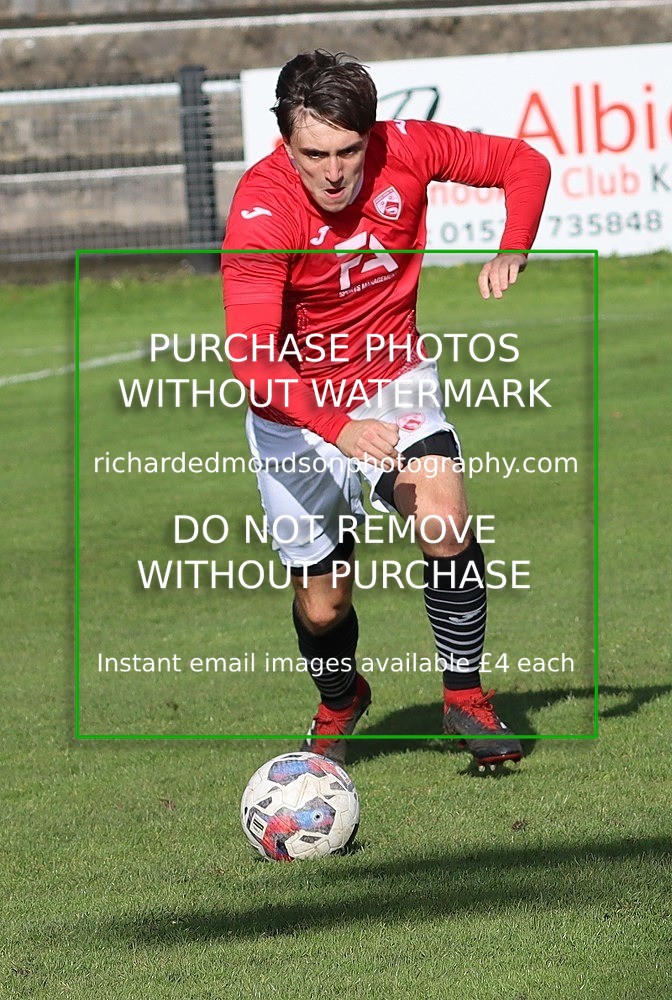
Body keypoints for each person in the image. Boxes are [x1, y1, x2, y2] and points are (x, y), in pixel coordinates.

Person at [221, 50, 551, 769]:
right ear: (286, 142)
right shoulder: (261, 208)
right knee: (323, 608)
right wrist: (337, 428)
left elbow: (523, 163)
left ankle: (465, 698)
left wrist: (514, 247)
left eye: (348, 150)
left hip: (391, 379)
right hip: (297, 416)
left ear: (370, 135)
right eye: (315, 154)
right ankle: (341, 701)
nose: (334, 171)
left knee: (442, 510)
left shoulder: (410, 147)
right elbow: (252, 357)